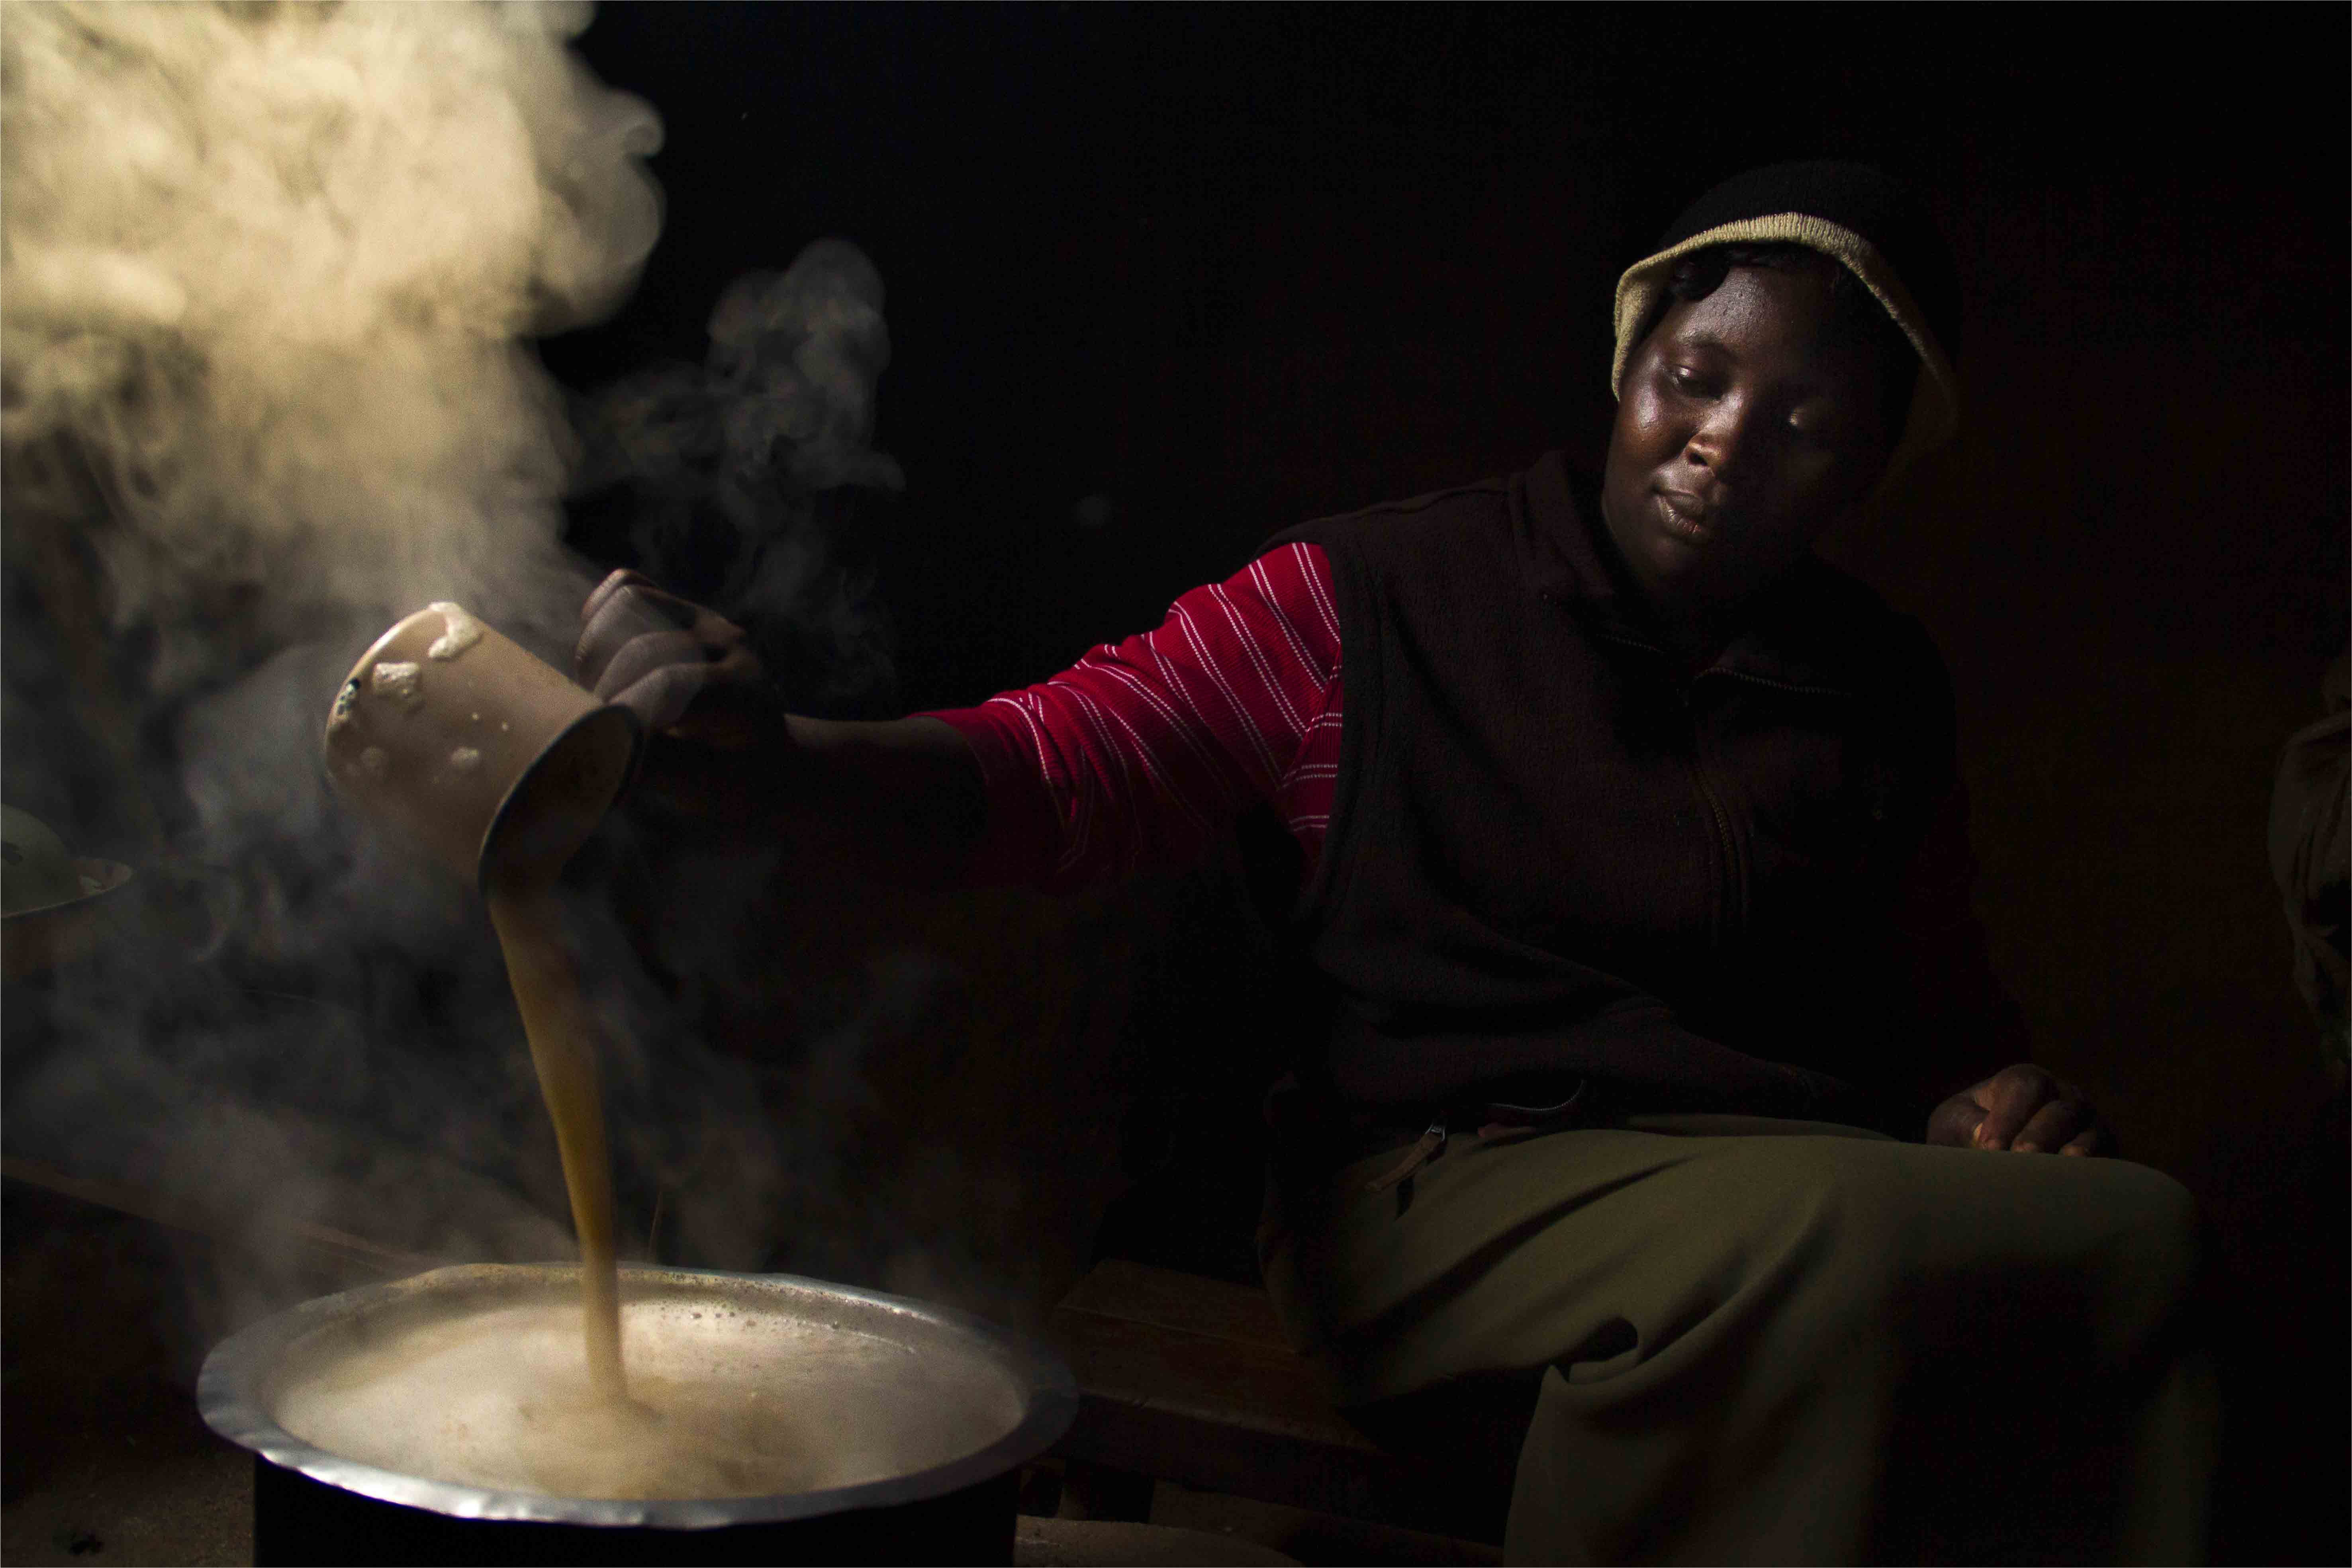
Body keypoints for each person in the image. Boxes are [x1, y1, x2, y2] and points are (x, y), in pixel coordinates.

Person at [576, 162, 2214, 1564]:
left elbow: (1932, 1004)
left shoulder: (1875, 687)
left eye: (1801, 422)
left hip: (1780, 1173)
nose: (1723, 439)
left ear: (1861, 472)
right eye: (1695, 376)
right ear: (1629, 360)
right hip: (1440, 1182)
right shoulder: (1370, 603)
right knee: (1833, 1237)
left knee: (2137, 1235)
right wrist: (780, 754)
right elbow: (1060, 760)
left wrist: (1983, 1097)